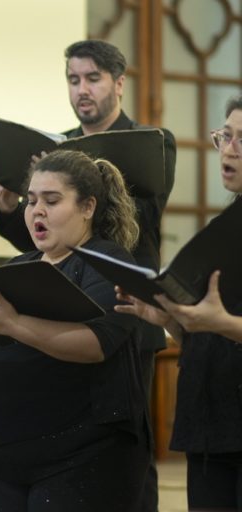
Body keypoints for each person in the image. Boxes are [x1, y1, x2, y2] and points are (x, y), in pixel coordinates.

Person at [0, 40, 175, 510]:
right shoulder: (57, 148)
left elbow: (142, 223)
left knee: (126, 439)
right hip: (59, 290)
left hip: (124, 301)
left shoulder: (150, 141)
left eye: (92, 79)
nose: (82, 90)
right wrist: (17, 206)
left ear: (118, 83)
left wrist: (89, 185)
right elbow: (35, 241)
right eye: (73, 80)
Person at [0, 150, 150, 511]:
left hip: (83, 455)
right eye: (31, 201)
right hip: (2, 454)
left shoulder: (109, 262)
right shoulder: (18, 266)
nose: (36, 212)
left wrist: (13, 324)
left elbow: (96, 344)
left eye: (51, 200)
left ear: (88, 206)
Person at [115, 95, 242, 511]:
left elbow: (223, 322)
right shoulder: (226, 226)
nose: (229, 149)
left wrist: (220, 324)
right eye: (225, 136)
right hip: (211, 420)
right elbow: (208, 323)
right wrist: (167, 318)